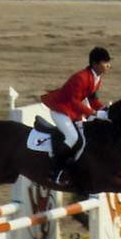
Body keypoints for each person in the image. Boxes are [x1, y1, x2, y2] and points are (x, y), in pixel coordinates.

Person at [40, 47, 112, 182]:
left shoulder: (96, 78)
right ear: (95, 64)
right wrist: (94, 113)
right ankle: (54, 170)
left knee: (84, 138)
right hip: (60, 109)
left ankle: (71, 168)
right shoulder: (81, 78)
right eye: (105, 62)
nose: (109, 65)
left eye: (108, 62)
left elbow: (92, 99)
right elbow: (73, 101)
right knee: (72, 138)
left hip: (72, 110)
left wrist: (104, 109)